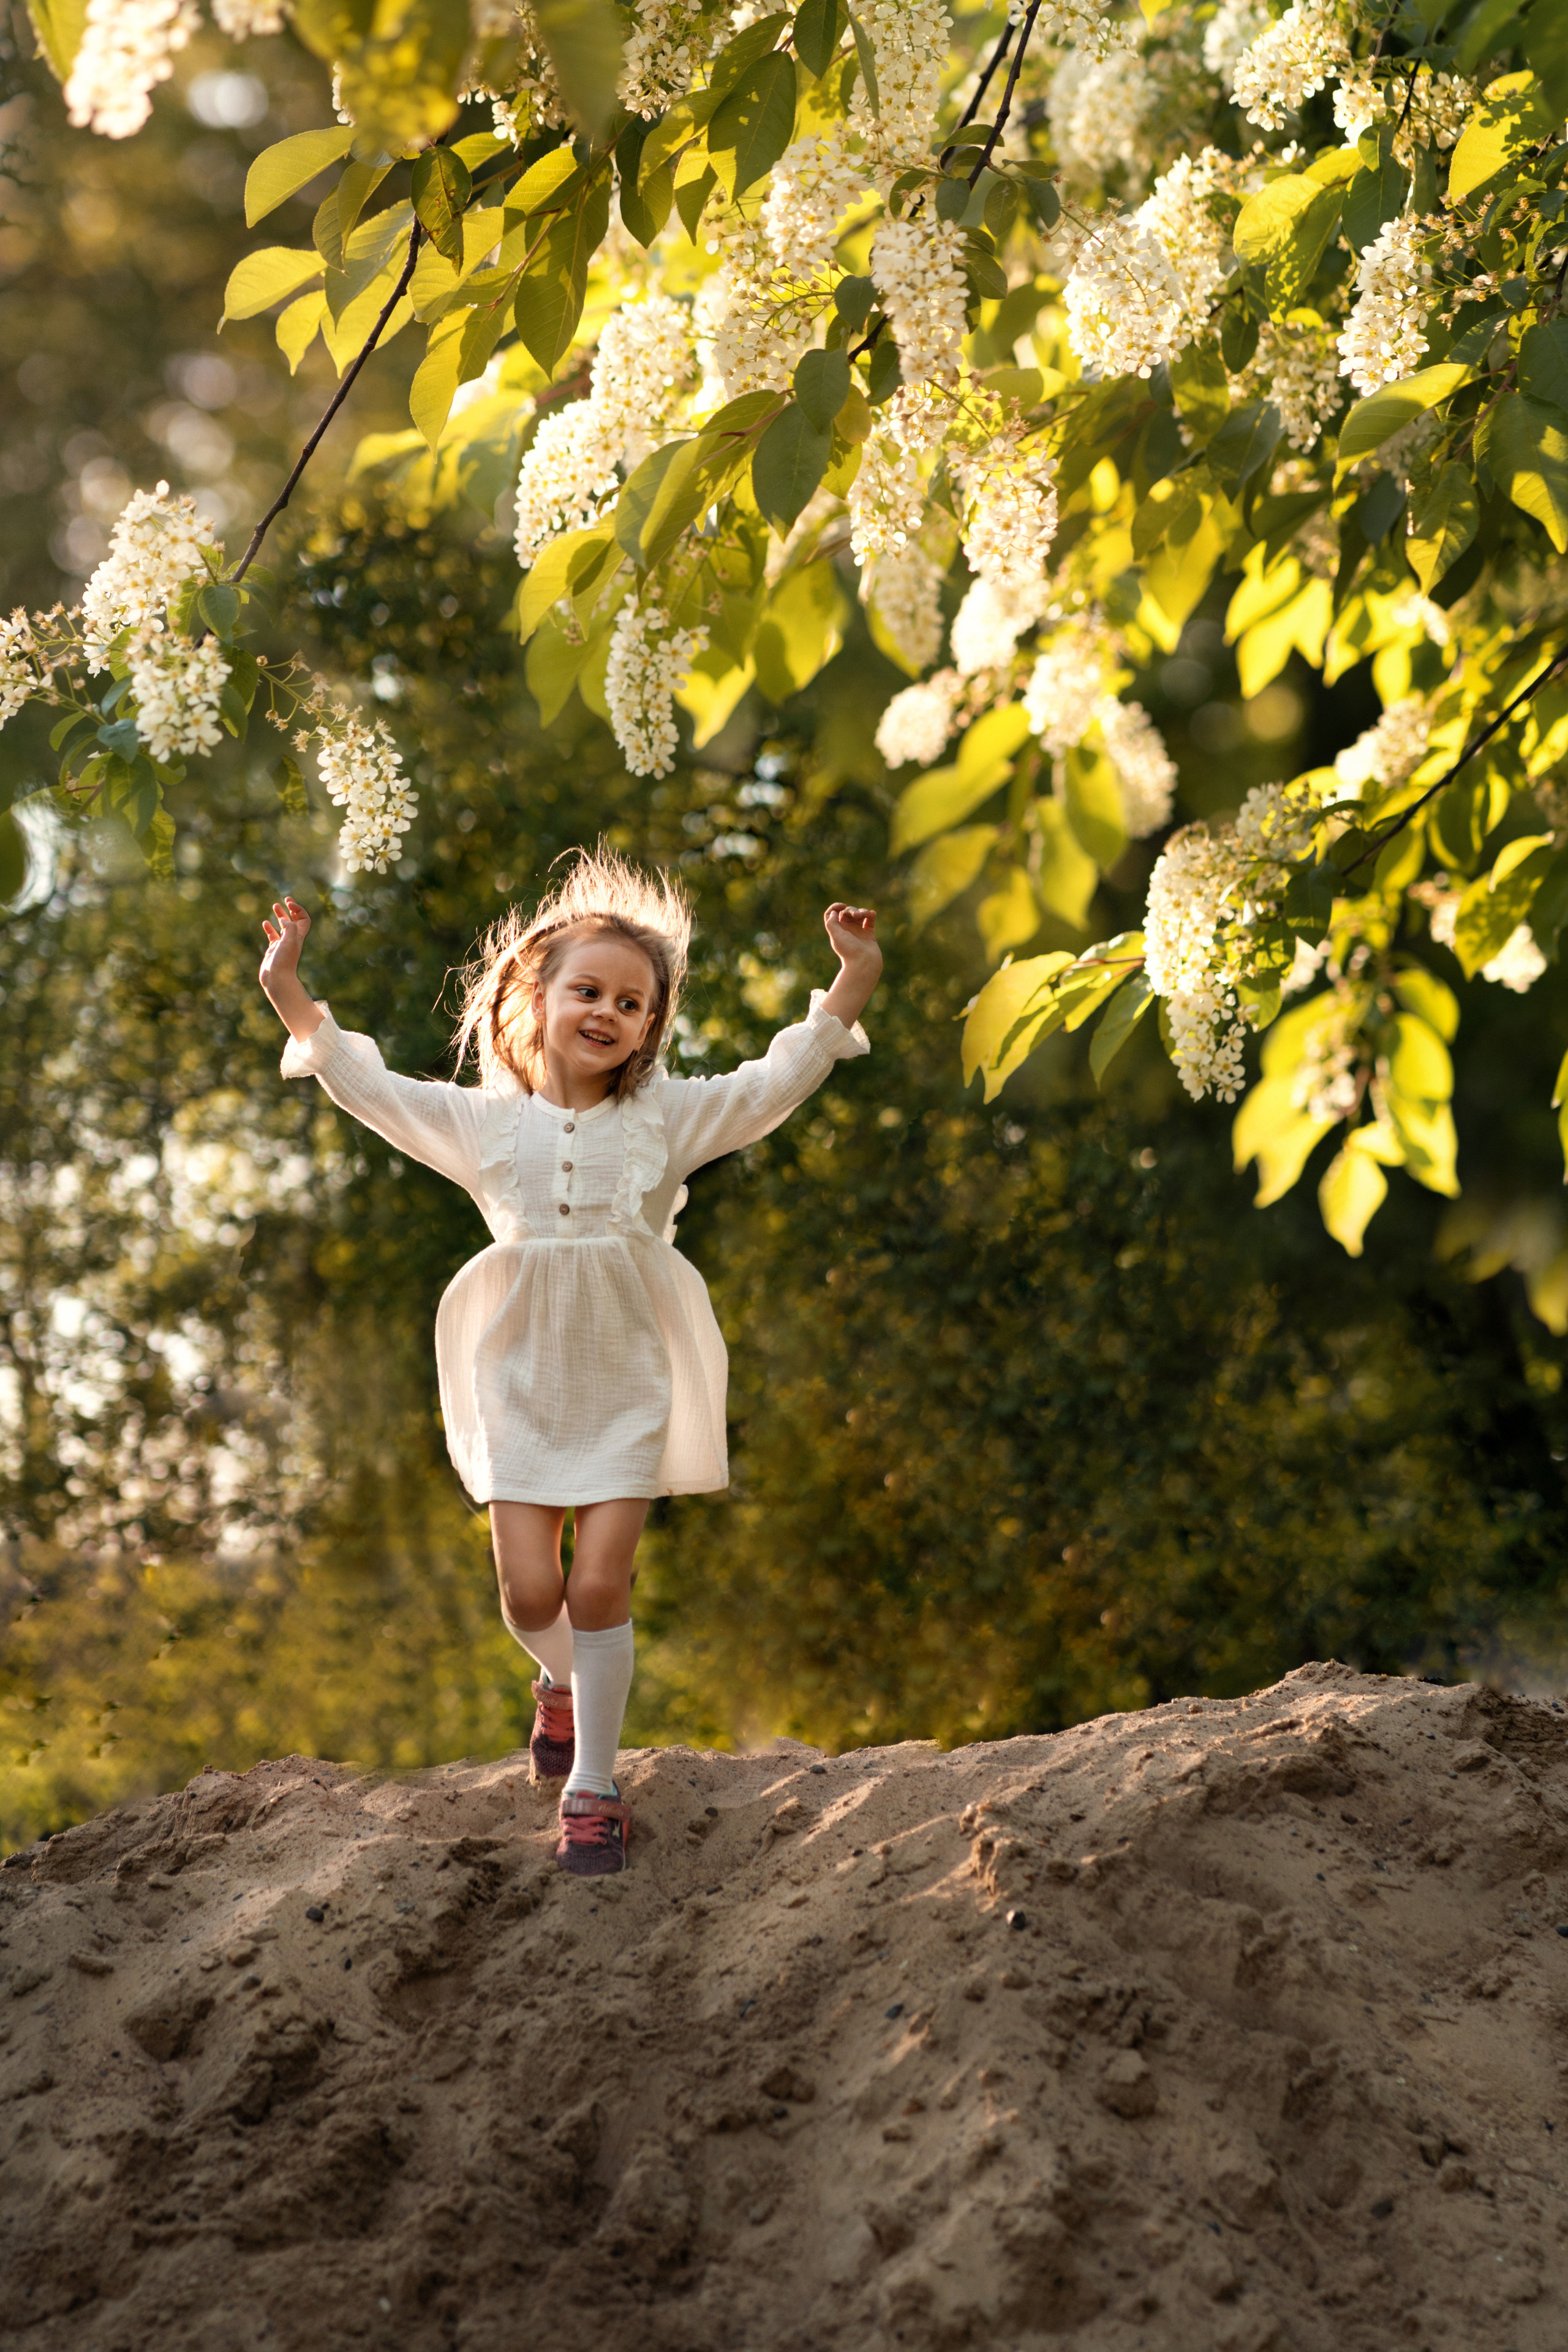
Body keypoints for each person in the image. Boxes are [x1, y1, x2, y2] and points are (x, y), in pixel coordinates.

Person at [257, 846, 881, 1877]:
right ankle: (560, 1682)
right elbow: (370, 1087)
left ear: (651, 1027)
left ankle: (593, 1784)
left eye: (634, 1004)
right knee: (527, 1598)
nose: (609, 1012)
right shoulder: (485, 1123)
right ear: (537, 996)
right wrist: (288, 990)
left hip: (627, 1370)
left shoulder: (665, 1119)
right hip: (518, 1375)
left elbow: (777, 1081)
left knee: (599, 1587)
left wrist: (852, 975)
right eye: (588, 989)